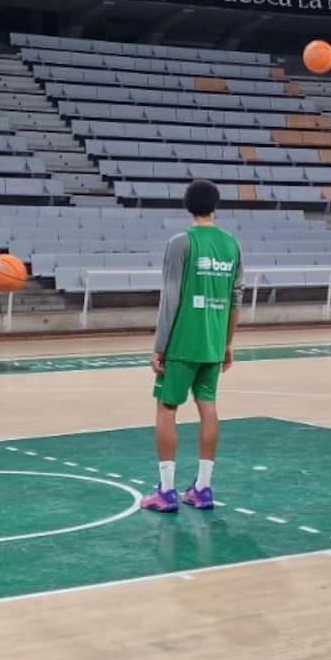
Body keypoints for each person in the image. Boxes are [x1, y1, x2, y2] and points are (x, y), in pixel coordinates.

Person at [140, 179, 244, 513]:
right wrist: (227, 343)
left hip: (183, 342)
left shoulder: (180, 243)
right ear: (216, 206)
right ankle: (203, 488)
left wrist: (160, 345)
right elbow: (236, 298)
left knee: (167, 407)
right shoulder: (231, 245)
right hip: (214, 343)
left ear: (187, 206)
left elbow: (170, 297)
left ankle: (166, 491)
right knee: (208, 407)